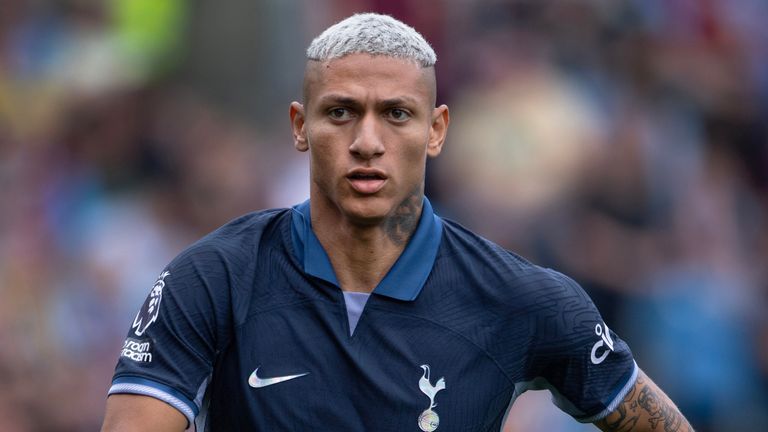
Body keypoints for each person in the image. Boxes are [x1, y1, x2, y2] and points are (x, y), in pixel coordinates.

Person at [101, 13, 693, 432]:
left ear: (436, 130)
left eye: (396, 114)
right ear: (300, 126)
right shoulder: (213, 278)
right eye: (341, 112)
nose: (367, 141)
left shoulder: (523, 300)